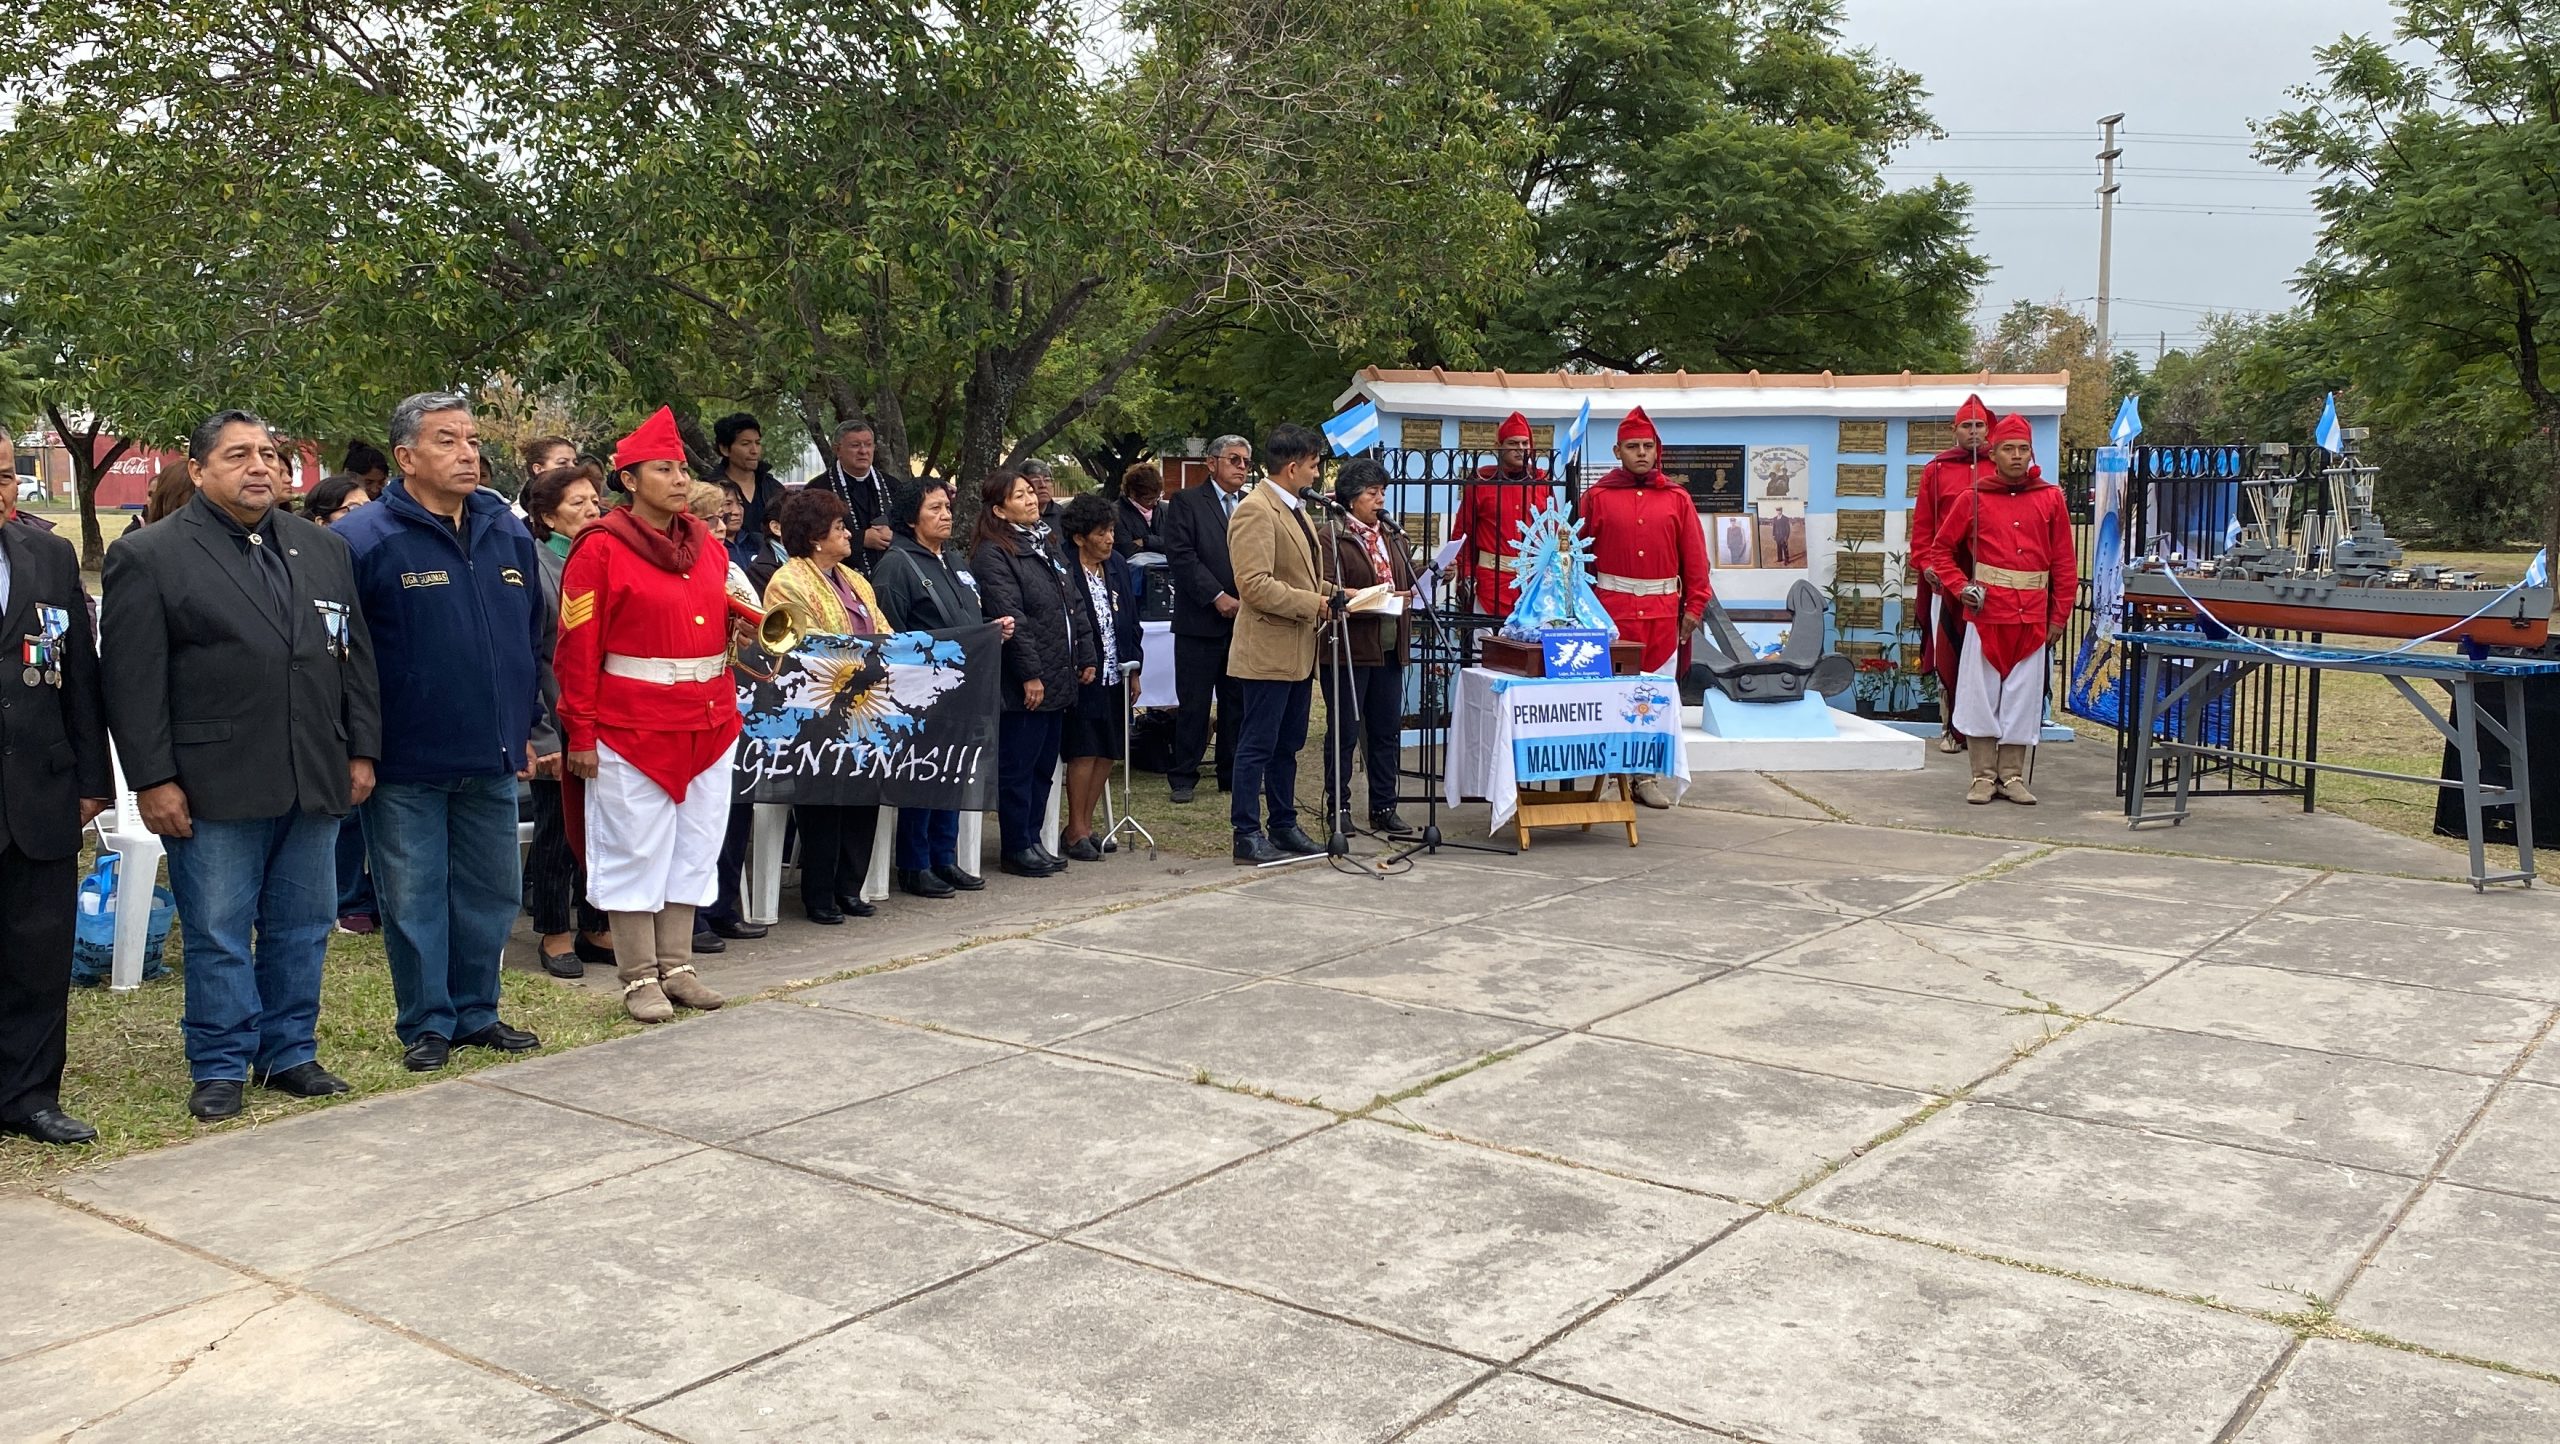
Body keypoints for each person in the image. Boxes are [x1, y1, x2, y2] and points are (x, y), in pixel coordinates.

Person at [102, 410, 382, 1121]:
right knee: (219, 931)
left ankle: (289, 1051)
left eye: (269, 454)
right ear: (198, 471)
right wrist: (153, 780)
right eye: (238, 455)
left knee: (302, 923)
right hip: (212, 781)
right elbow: (133, 683)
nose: (260, 466)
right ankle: (221, 1062)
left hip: (313, 770)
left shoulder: (322, 548)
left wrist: (360, 749)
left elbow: (351, 657)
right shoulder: (152, 554)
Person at [337, 393, 547, 1073]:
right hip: (405, 759)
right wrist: (360, 748)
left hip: (492, 752)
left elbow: (531, 638)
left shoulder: (506, 529)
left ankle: (477, 1011)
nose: (467, 454)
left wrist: (527, 726)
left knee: (491, 893)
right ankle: (427, 1023)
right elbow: (344, 657)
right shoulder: (363, 538)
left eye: (472, 440)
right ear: (406, 457)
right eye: (447, 441)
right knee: (413, 897)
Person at [556, 407, 742, 1023]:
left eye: (682, 468)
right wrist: (581, 732)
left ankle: (678, 966)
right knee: (633, 847)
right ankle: (638, 976)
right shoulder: (599, 548)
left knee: (695, 844)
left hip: (709, 722)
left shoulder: (707, 546)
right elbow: (577, 647)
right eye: (663, 469)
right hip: (631, 725)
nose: (679, 479)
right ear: (629, 480)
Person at [0, 482, 112, 1144]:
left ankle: (29, 1096)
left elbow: (78, 674)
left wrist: (93, 779)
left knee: (37, 953)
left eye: (4, 474)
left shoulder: (48, 555)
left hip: (39, 790)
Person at [1920, 413, 2075, 807]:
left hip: (2032, 618)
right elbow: (1940, 551)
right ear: (1994, 453)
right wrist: (1960, 588)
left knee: (2022, 698)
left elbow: (2064, 562)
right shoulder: (1973, 498)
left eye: (2023, 449)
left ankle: (2012, 776)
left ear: (2031, 453)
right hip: (1987, 616)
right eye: (2008, 449)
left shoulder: (2050, 498)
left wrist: (2058, 616)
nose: (2017, 456)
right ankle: (1983, 777)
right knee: (1980, 696)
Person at [764, 488, 892, 922]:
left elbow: (883, 629)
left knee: (863, 795)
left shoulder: (855, 579)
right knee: (824, 800)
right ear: (816, 537)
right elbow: (804, 644)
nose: (849, 533)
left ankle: (849, 887)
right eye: (839, 527)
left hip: (867, 705)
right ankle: (819, 894)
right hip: (815, 710)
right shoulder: (788, 581)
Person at [872, 478, 1004, 898]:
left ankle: (943, 856)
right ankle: (915, 864)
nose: (946, 515)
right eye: (934, 509)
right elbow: (890, 632)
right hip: (920, 692)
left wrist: (991, 630)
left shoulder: (954, 560)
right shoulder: (896, 565)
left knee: (952, 772)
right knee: (924, 774)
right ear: (911, 519)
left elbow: (966, 615)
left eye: (947, 507)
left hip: (963, 686)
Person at [1578, 405, 1711, 809]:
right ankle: (1606, 776)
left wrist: (1695, 607)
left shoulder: (1677, 499)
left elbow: (1695, 559)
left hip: (1662, 616)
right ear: (1617, 451)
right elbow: (1579, 560)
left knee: (1652, 700)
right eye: (1632, 446)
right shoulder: (1596, 498)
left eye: (1647, 446)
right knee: (1609, 698)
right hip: (1610, 614)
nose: (1641, 453)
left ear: (1657, 450)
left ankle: (1645, 776)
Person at [972, 467, 1093, 878]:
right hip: (1025, 678)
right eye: (1019, 495)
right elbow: (1012, 617)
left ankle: (1033, 838)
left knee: (1045, 766)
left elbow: (1073, 601)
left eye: (1030, 492)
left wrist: (1086, 653)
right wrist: (1030, 674)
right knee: (1019, 766)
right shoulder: (994, 554)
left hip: (1059, 670)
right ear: (999, 510)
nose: (1030, 499)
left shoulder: (1045, 542)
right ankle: (1016, 845)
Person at [1227, 423, 1339, 865]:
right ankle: (1246, 833)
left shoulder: (1296, 511)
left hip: (1298, 652)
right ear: (1292, 468)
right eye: (1313, 466)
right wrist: (1316, 604)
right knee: (1257, 744)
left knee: (1288, 744)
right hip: (1267, 653)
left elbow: (1302, 579)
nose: (1317, 475)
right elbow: (1254, 585)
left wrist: (1341, 595)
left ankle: (1284, 823)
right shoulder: (1256, 510)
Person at [522, 462, 616, 979]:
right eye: (577, 503)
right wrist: (541, 734)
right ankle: (555, 930)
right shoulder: (535, 566)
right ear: (547, 517)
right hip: (556, 716)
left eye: (594, 500)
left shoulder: (607, 555)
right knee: (558, 828)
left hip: (609, 713)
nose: (591, 509)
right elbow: (532, 656)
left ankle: (596, 925)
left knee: (604, 824)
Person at [684, 481, 771, 951]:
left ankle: (723, 906)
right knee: (694, 816)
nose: (721, 526)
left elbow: (758, 625)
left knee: (732, 809)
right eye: (710, 518)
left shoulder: (730, 566)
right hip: (694, 695)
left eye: (723, 517)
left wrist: (745, 632)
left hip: (732, 692)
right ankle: (691, 916)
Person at [1315, 457, 1419, 838]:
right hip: (1350, 648)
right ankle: (1338, 808)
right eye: (1372, 493)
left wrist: (1433, 574)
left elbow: (1403, 580)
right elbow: (1324, 585)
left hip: (1389, 646)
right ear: (1351, 497)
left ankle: (1384, 806)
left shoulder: (1393, 535)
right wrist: (1363, 594)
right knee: (1344, 731)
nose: (1380, 500)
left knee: (1386, 730)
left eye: (1382, 492)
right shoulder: (1332, 535)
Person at [305, 475, 380, 934]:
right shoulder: (316, 566)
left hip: (374, 690)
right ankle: (349, 896)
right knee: (346, 807)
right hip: (330, 701)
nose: (362, 517)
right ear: (320, 521)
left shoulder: (375, 555)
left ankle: (373, 891)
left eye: (367, 507)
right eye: (349, 510)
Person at [1159, 434, 1249, 803]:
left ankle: (1231, 773)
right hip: (1200, 622)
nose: (1241, 467)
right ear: (1212, 463)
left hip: (1243, 621)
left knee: (1237, 702)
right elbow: (1181, 555)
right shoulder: (1187, 502)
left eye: (1246, 461)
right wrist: (1216, 596)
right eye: (1234, 459)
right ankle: (1183, 775)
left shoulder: (1251, 505)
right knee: (1194, 704)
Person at [1058, 493, 1141, 862]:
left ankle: (1087, 824)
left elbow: (1131, 621)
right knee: (1084, 750)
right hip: (1084, 674)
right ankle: (1075, 828)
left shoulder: (1117, 564)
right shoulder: (1064, 566)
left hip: (1116, 671)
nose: (1110, 539)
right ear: (1080, 538)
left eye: (1111, 531)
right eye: (1101, 533)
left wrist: (1134, 669)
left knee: (1109, 749)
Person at [1914, 394, 1995, 754]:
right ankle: (1949, 727)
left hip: (1989, 576)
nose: (1974, 432)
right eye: (1967, 426)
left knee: (1987, 653)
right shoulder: (1937, 470)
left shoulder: (2001, 465)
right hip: (1946, 577)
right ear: (1954, 430)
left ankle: (1987, 730)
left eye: (1979, 425)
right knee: (1949, 649)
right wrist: (1927, 565)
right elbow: (1923, 528)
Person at [1465, 412, 1557, 617]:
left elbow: (1553, 530)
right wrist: (1466, 575)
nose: (1520, 449)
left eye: (1525, 443)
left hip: (1534, 582)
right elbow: (1464, 533)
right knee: (1487, 637)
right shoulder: (1481, 483)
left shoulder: (1542, 483)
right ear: (1498, 446)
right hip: (1491, 583)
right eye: (1513, 443)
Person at [813, 416, 896, 575]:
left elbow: (912, 528)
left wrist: (894, 535)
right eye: (855, 445)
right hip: (839, 574)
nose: (863, 451)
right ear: (837, 450)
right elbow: (813, 535)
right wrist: (860, 539)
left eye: (868, 445)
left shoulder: (892, 485)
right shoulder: (818, 490)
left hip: (891, 573)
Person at [709, 412, 777, 552]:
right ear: (725, 449)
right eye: (745, 444)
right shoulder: (710, 490)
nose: (754, 450)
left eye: (757, 443)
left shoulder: (773, 487)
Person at [1115, 463, 1166, 559]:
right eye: (1148, 499)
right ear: (1132, 494)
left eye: (1158, 497)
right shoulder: (1115, 514)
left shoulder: (1166, 510)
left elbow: (1179, 544)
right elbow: (1126, 550)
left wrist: (1146, 541)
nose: (1155, 503)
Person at [1022, 457, 1063, 529]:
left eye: (1047, 480)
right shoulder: (1014, 516)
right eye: (1035, 480)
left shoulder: (1064, 516)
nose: (1043, 485)